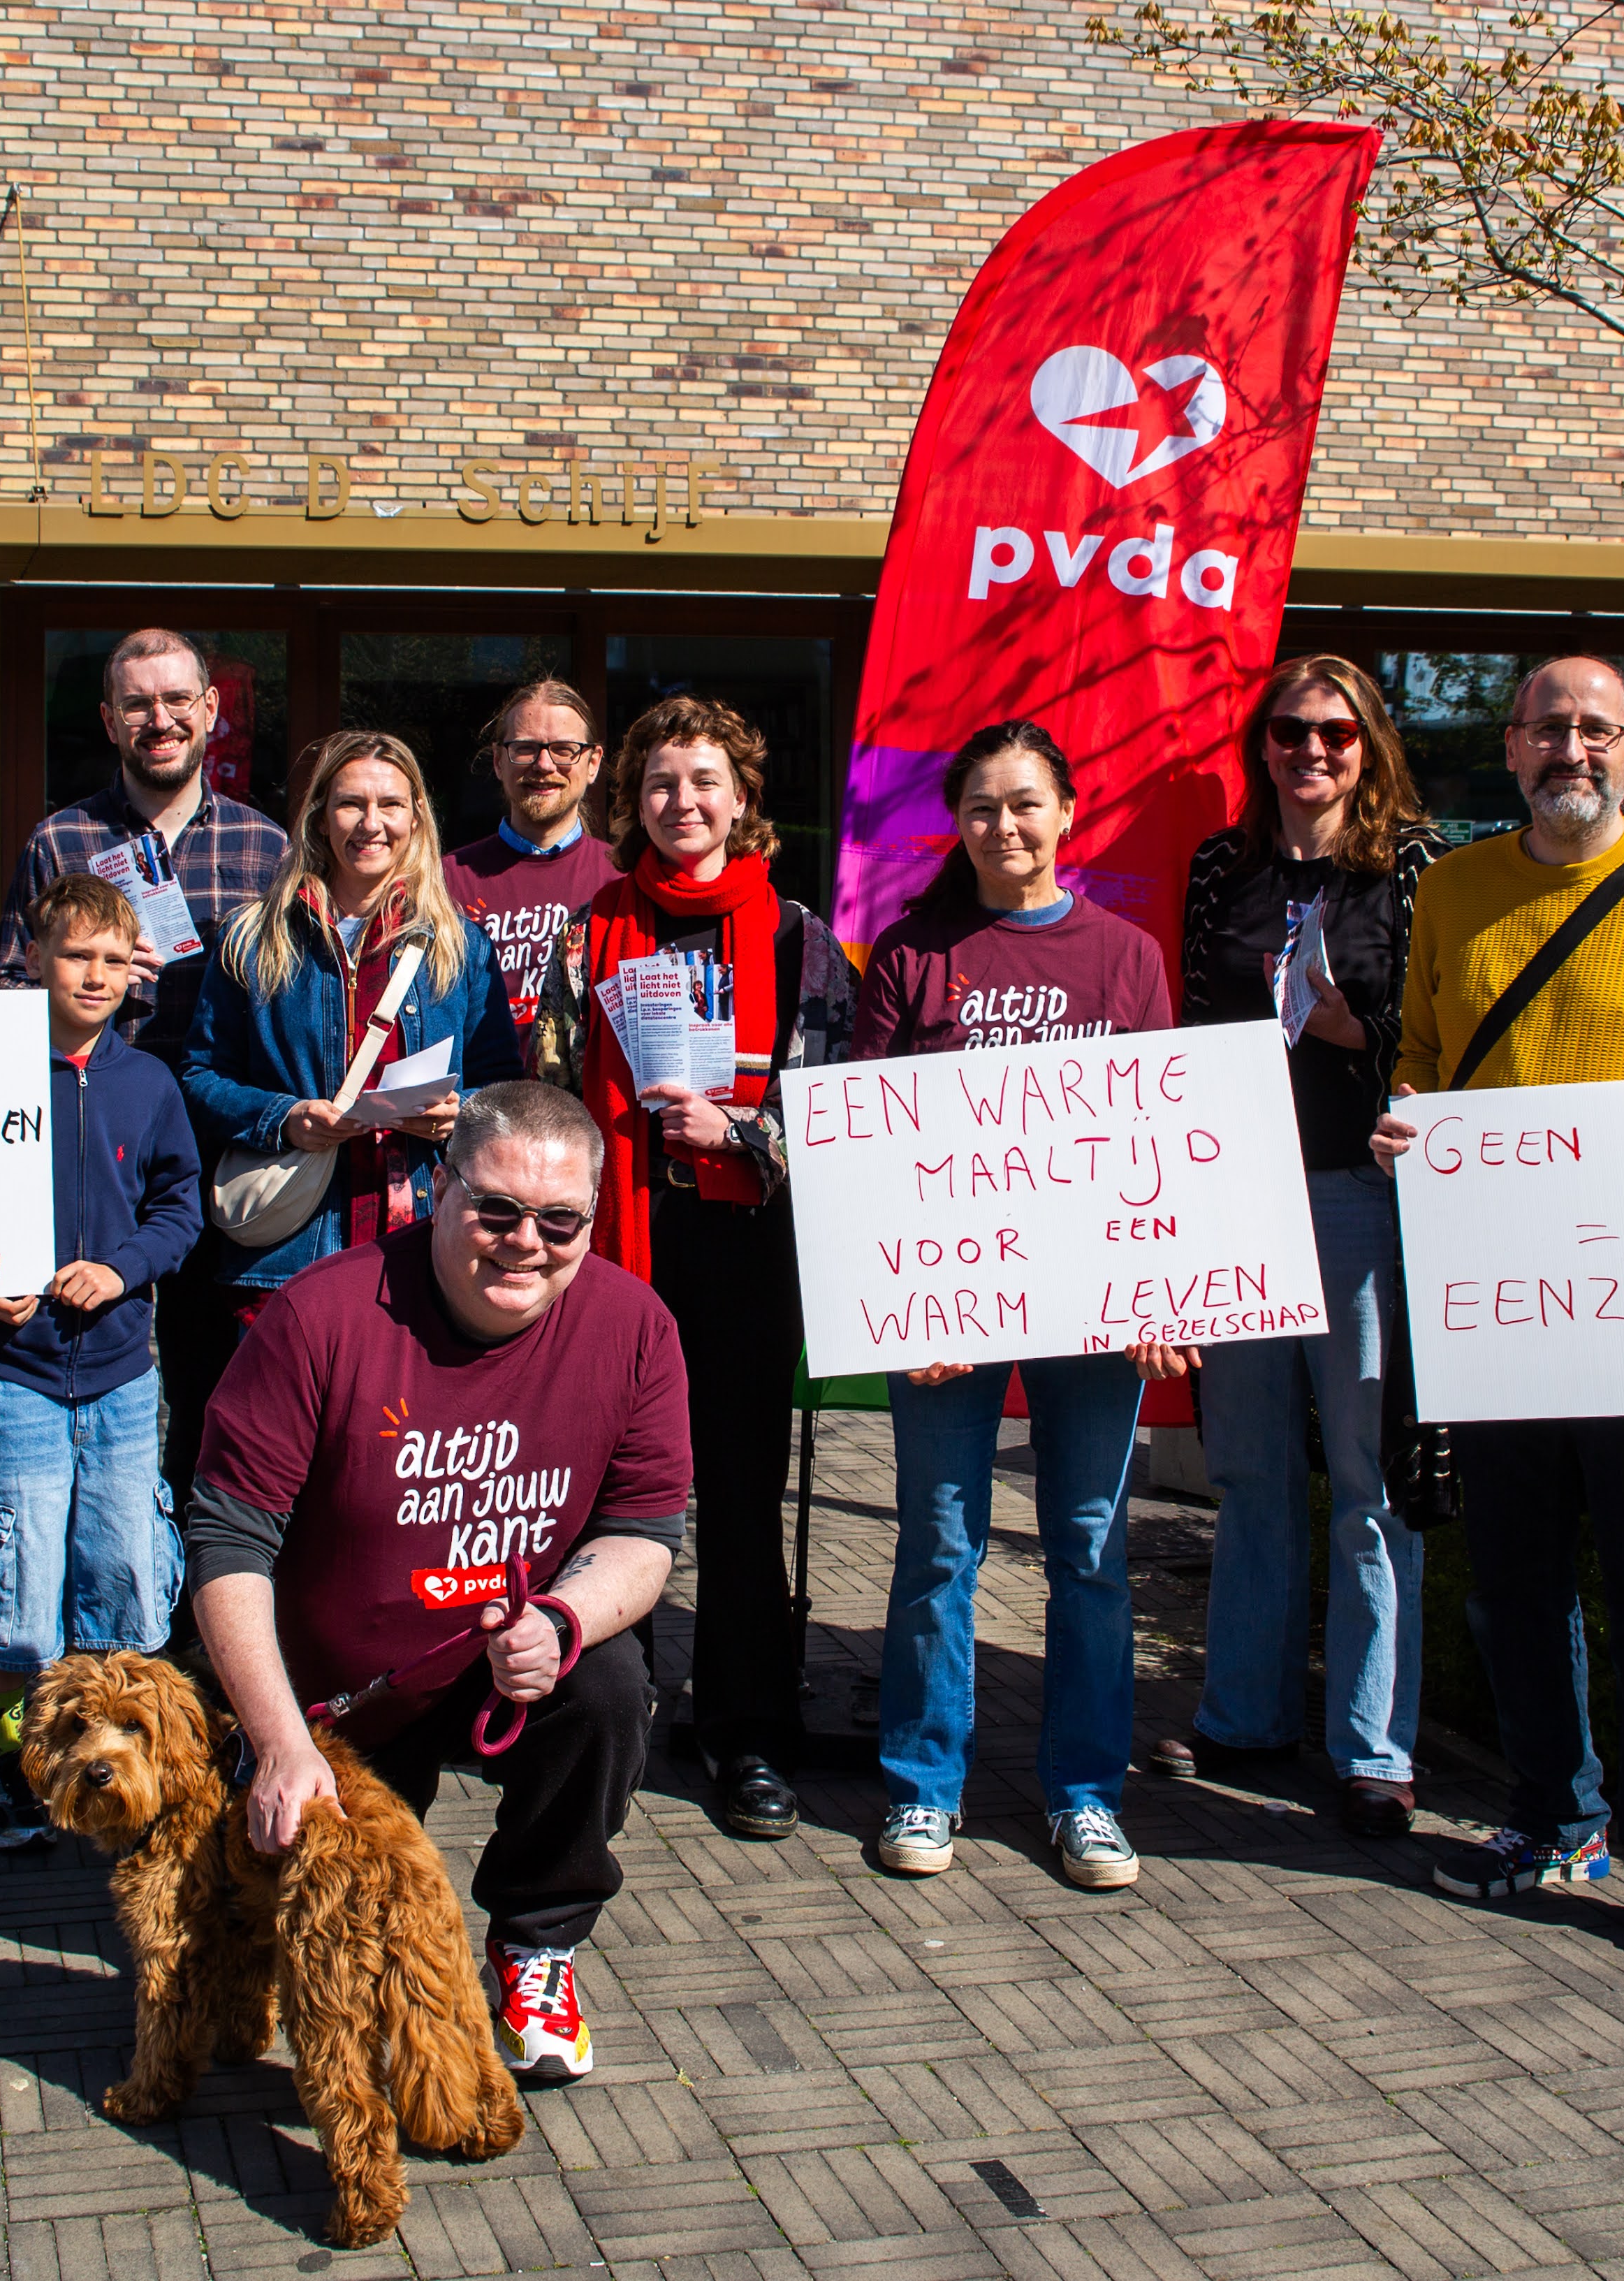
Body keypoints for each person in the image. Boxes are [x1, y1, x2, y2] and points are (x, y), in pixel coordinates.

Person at [1373, 655, 1624, 1997]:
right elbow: (1421, 1058)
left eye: (1596, 731)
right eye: (1549, 729)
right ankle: (1553, 1818)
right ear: (1511, 743)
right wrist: (1400, 1123)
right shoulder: (1454, 886)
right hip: (1498, 1303)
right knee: (1515, 1593)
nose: (1571, 751)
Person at [188, 1082, 685, 2087]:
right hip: (339, 1687)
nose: (522, 1242)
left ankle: (537, 1941)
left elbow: (643, 1533)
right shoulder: (320, 1314)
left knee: (610, 1684)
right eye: (494, 1208)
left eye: (558, 1220)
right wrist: (283, 1746)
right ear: (436, 1188)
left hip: (500, 1662)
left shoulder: (634, 1325)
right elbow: (225, 1538)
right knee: (309, 1963)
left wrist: (562, 1615)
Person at [847, 722, 1185, 1891]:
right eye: (981, 809)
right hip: (947, 1308)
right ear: (960, 824)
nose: (1003, 828)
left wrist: (1154, 1293)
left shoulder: (1123, 956)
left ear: (1068, 812)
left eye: (1025, 804)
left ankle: (1085, 1796)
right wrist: (906, 1302)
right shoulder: (910, 954)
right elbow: (871, 1142)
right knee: (939, 1545)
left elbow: (1159, 1139)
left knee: (1088, 1553)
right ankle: (923, 1786)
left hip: (1093, 1307)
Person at [529, 694, 855, 1845]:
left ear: (742, 797)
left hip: (743, 1244)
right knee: (607, 1495)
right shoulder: (589, 930)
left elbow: (837, 1111)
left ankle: (746, 1730)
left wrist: (744, 1140)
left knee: (740, 1497)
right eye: (662, 783)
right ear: (634, 801)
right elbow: (551, 1097)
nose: (683, 803)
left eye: (705, 781)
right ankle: (601, 1715)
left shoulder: (794, 936)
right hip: (614, 1248)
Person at [1159, 658, 1449, 1839]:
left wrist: (1354, 1033)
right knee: (1252, 1474)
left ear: (1370, 744)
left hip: (1356, 1201)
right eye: (1288, 731)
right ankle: (1242, 1715)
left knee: (1369, 1486)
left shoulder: (1417, 864)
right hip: (1240, 1197)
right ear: (1260, 746)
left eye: (1335, 731)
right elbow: (1185, 1025)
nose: (1311, 750)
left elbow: (1437, 1037)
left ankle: (1374, 1748)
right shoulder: (1220, 868)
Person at [0, 629, 290, 1520]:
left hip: (214, 1149)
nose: (157, 719)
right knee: (83, 1372)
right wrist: (100, 986)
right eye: (136, 703)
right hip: (88, 1152)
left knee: (213, 1383)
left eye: (174, 701)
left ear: (209, 712)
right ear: (109, 721)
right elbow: (5, 992)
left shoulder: (264, 848)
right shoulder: (61, 840)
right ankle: (94, 1572)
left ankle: (197, 1578)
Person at [0, 873, 206, 1851]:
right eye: (75, 955)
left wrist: (124, 1266)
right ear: (33, 956)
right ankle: (15, 1764)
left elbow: (181, 1207)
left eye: (113, 957)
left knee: (125, 1583)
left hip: (120, 1380)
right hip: (17, 1377)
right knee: (15, 1592)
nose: (94, 975)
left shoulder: (149, 1083)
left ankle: (122, 1769)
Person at [177, 729, 517, 1407]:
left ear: (416, 817)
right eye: (350, 804)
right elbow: (198, 1076)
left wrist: (462, 1114)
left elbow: (505, 1085)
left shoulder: (459, 944)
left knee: (398, 1445)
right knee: (283, 1450)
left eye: (390, 804)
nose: (371, 823)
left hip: (421, 1245)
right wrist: (282, 1117)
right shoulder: (254, 938)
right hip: (290, 1249)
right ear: (318, 818)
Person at [444, 678, 612, 1060]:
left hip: (589, 1113)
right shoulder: (445, 882)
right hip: (478, 1109)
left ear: (593, 763)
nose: (544, 765)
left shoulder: (622, 880)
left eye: (565, 750)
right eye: (525, 749)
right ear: (499, 762)